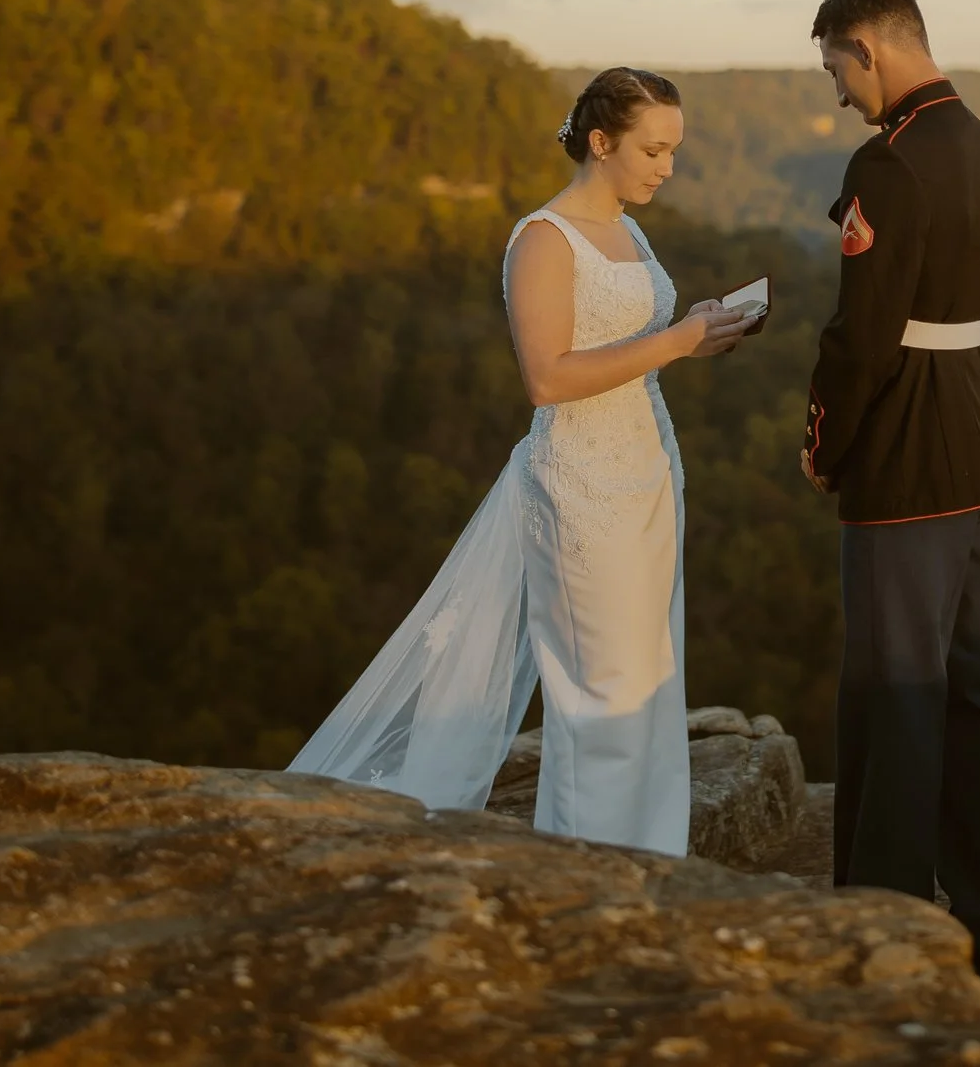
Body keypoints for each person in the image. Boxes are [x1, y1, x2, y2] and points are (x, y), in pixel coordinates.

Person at [287, 68, 751, 854]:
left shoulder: (630, 230)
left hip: (648, 473)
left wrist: (697, 327)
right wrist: (674, 343)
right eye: (654, 149)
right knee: (599, 697)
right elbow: (547, 378)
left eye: (673, 149)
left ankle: (653, 866)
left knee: (648, 686)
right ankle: (587, 876)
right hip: (579, 488)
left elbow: (633, 344)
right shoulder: (543, 239)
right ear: (600, 143)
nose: (666, 167)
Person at [799, 0, 980, 984]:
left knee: (894, 687)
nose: (839, 95)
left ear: (868, 47)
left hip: (907, 443)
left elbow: (863, 336)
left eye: (835, 70)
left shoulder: (888, 163)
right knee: (979, 680)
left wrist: (826, 439)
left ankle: (886, 929)